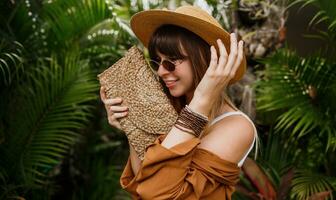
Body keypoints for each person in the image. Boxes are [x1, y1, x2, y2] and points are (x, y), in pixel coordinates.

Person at [100, 5, 258, 200]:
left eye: (171, 61)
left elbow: (156, 192)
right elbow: (141, 184)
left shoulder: (236, 126)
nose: (161, 72)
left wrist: (200, 101)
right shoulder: (167, 109)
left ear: (205, 59)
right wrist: (132, 125)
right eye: (157, 61)